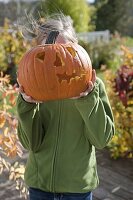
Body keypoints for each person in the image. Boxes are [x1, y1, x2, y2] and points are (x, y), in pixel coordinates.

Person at [16, 14, 115, 200]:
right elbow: (31, 144)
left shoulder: (93, 88)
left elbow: (102, 140)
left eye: (64, 51)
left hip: (78, 188)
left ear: (76, 50)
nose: (56, 63)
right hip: (40, 186)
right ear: (37, 51)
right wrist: (27, 107)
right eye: (47, 53)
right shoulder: (33, 89)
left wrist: (88, 100)